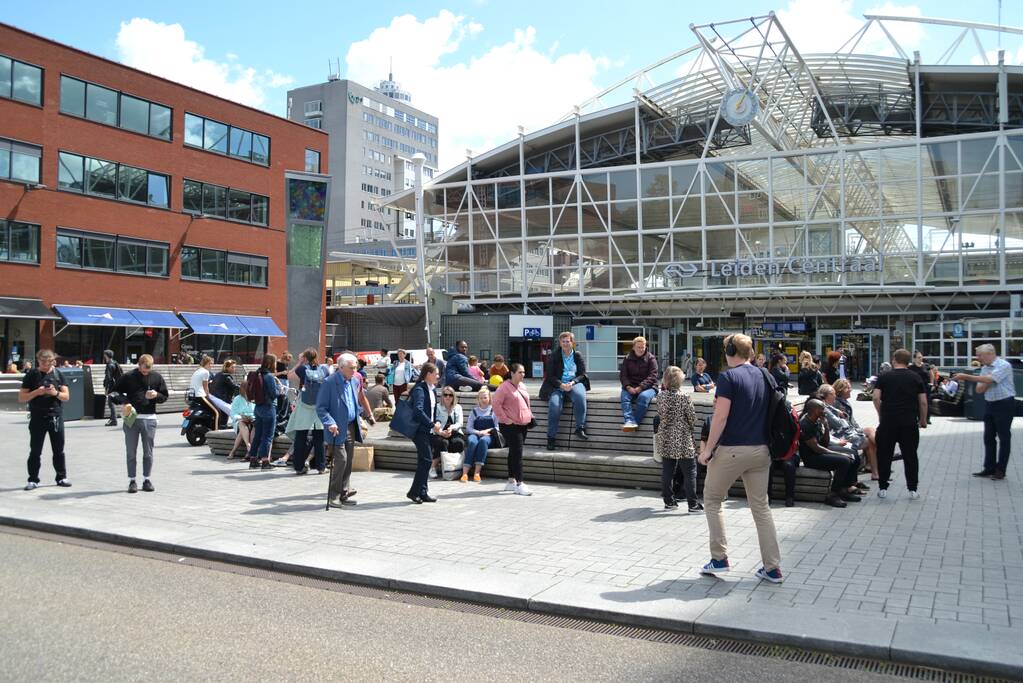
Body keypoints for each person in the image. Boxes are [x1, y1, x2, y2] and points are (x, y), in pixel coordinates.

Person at [697, 334, 783, 584]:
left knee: (712, 499)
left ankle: (719, 558)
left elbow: (720, 417)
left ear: (731, 351)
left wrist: (707, 450)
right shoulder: (765, 375)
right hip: (762, 451)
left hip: (733, 449)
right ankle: (773, 568)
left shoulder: (727, 377)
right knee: (761, 508)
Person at [317, 353, 375, 508]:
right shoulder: (329, 382)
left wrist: (363, 416)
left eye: (356, 367)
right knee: (341, 459)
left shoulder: (354, 380)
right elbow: (321, 408)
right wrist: (330, 422)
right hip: (336, 428)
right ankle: (333, 496)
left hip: (351, 425)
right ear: (341, 367)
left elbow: (356, 402)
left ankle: (344, 493)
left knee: (348, 461)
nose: (355, 370)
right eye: (351, 367)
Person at [954, 344, 1016, 480]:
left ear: (990, 353)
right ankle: (989, 468)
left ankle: (1001, 470)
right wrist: (989, 380)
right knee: (988, 437)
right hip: (990, 404)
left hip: (1004, 403)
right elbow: (979, 390)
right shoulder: (985, 368)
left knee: (1004, 437)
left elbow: (988, 380)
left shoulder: (1003, 365)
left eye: (980, 355)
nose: (978, 358)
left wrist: (968, 377)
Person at [873, 349, 928, 499]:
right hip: (909, 422)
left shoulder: (884, 376)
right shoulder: (915, 377)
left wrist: (881, 415)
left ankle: (883, 487)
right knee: (910, 455)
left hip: (888, 422)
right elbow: (923, 401)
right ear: (908, 361)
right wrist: (922, 420)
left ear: (894, 360)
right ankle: (912, 489)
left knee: (884, 454)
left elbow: (876, 398)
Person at [111, 354, 168, 493]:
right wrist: (124, 401)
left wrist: (156, 395)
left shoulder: (156, 377)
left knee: (148, 452)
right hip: (132, 417)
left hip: (149, 418)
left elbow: (164, 396)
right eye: (143, 370)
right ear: (139, 364)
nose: (146, 372)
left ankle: (146, 479)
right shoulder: (129, 376)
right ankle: (132, 481)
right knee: (131, 451)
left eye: (148, 370)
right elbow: (113, 392)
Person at [18, 349, 71, 491]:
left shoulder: (59, 374)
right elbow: (21, 397)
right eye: (41, 362)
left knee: (58, 449)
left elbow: (66, 396)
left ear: (52, 361)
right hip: (37, 417)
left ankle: (61, 477)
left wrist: (55, 392)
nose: (43, 366)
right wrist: (37, 392)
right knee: (35, 450)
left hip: (56, 416)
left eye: (46, 363)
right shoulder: (32, 374)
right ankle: (33, 479)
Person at [798, 399, 862, 508]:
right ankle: (832, 495)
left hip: (821, 451)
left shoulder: (818, 420)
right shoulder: (805, 424)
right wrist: (840, 454)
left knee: (853, 454)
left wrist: (826, 427)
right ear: (815, 410)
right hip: (812, 458)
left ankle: (844, 489)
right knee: (844, 461)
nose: (825, 410)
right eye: (822, 408)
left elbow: (825, 443)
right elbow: (817, 448)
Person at [656, 366, 701, 513]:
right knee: (690, 471)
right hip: (682, 438)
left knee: (667, 471)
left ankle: (669, 501)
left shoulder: (661, 396)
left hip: (665, 437)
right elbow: (692, 419)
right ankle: (693, 504)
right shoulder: (684, 397)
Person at [539, 331, 590, 450]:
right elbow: (550, 376)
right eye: (564, 341)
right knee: (555, 405)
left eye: (568, 341)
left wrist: (572, 383)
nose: (566, 343)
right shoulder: (554, 356)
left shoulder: (577, 355)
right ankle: (551, 438)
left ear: (572, 343)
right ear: (560, 343)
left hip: (574, 383)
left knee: (580, 396)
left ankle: (580, 428)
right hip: (556, 385)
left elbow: (582, 374)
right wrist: (561, 385)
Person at [493, 363, 534, 496]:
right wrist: (506, 419)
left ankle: (511, 481)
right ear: (512, 373)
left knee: (513, 452)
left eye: (523, 372)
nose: (523, 375)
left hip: (523, 424)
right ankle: (519, 483)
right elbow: (496, 405)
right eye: (520, 372)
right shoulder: (503, 388)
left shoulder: (522, 386)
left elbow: (526, 402)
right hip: (509, 425)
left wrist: (530, 415)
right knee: (517, 454)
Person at [287, 348, 327, 475]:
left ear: (305, 357)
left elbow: (289, 375)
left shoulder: (302, 369)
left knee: (301, 436)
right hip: (319, 406)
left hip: (304, 406)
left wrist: (299, 362)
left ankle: (299, 467)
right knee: (319, 438)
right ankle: (321, 467)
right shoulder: (324, 369)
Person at [405, 362, 440, 504]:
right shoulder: (420, 389)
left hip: (429, 430)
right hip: (419, 430)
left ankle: (423, 492)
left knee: (423, 460)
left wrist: (436, 422)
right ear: (428, 374)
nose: (438, 376)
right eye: (436, 373)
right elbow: (418, 410)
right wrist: (431, 424)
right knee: (426, 460)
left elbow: (433, 410)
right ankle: (413, 492)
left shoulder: (432, 390)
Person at [832, 379, 878, 480]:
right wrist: (858, 431)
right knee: (870, 434)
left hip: (851, 431)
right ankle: (880, 456)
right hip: (842, 435)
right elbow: (840, 425)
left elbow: (852, 421)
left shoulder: (844, 401)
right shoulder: (836, 404)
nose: (851, 389)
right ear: (840, 390)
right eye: (848, 388)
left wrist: (858, 430)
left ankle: (873, 469)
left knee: (870, 435)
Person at [247, 354, 281, 470]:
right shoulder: (269, 376)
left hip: (258, 408)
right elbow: (273, 394)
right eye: (275, 362)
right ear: (271, 363)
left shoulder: (258, 373)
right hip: (268, 407)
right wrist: (279, 390)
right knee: (267, 436)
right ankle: (265, 461)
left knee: (258, 435)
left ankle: (253, 459)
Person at [619, 336, 659, 432]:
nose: (641, 349)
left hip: (649, 387)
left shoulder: (651, 358)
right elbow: (623, 375)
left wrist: (641, 387)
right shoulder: (627, 358)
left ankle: (634, 423)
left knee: (643, 397)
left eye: (643, 347)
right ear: (633, 347)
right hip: (631, 386)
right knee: (624, 397)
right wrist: (628, 387)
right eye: (639, 347)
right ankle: (629, 421)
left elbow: (653, 376)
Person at [463, 387, 496, 482]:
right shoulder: (474, 411)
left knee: (483, 441)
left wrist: (486, 431)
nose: (483, 400)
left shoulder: (494, 411)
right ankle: (465, 473)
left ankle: (477, 473)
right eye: (481, 398)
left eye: (485, 397)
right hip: (475, 433)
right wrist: (478, 432)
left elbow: (497, 427)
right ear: (478, 399)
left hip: (489, 436)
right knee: (472, 442)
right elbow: (469, 428)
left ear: (489, 398)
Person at [431, 387, 465, 479]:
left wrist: (451, 428)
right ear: (442, 396)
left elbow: (460, 423)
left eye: (450, 395)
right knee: (443, 443)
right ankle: (433, 467)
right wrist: (441, 432)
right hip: (440, 432)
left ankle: (452, 468)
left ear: (453, 397)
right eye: (445, 395)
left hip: (454, 432)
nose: (448, 397)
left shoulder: (458, 407)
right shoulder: (437, 407)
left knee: (458, 442)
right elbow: (435, 422)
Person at [190, 355, 227, 431]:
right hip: (200, 395)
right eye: (210, 363)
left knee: (211, 410)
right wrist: (208, 396)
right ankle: (216, 432)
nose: (211, 365)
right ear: (206, 363)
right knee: (217, 412)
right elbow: (205, 387)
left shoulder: (198, 370)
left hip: (193, 395)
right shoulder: (206, 372)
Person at [227, 382, 255, 459]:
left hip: (253, 420)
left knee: (248, 430)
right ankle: (248, 447)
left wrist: (252, 417)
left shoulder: (254, 398)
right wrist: (241, 417)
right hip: (240, 420)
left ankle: (233, 451)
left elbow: (257, 411)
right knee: (241, 423)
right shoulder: (237, 399)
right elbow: (233, 413)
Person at [101, 349, 123, 426]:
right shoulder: (115, 363)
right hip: (116, 385)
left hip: (112, 386)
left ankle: (114, 420)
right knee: (112, 402)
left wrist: (106, 389)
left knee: (111, 403)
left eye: (105, 355)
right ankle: (112, 418)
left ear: (106, 356)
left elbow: (108, 378)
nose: (104, 356)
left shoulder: (110, 365)